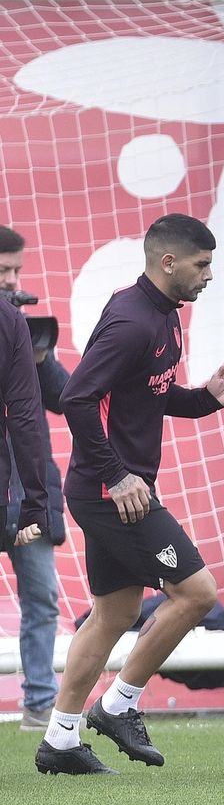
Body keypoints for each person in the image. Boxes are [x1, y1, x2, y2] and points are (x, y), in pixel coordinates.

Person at [38, 214, 224, 775]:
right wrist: (117, 475)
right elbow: (79, 398)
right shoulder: (132, 320)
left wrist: (206, 400)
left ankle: (59, 741)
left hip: (116, 487)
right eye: (202, 265)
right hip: (112, 492)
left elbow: (147, 394)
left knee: (115, 612)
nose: (208, 275)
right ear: (168, 262)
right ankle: (118, 704)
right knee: (198, 593)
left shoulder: (164, 316)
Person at [0, 227, 71, 731]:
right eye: (3, 270)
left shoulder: (19, 326)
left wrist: (36, 354)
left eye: (17, 271)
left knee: (43, 596)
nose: (12, 280)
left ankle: (40, 702)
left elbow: (65, 399)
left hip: (27, 488)